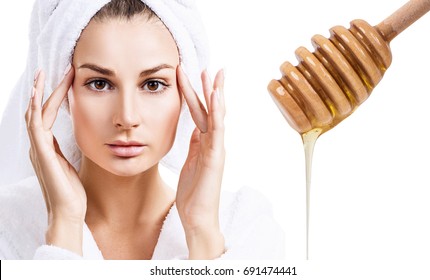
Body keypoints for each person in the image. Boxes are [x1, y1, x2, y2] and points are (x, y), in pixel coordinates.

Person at [0, 0, 284, 259]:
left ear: (185, 95)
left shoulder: (244, 228)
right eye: (99, 83)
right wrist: (63, 224)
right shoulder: (8, 227)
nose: (127, 117)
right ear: (61, 94)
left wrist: (202, 232)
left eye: (153, 84)